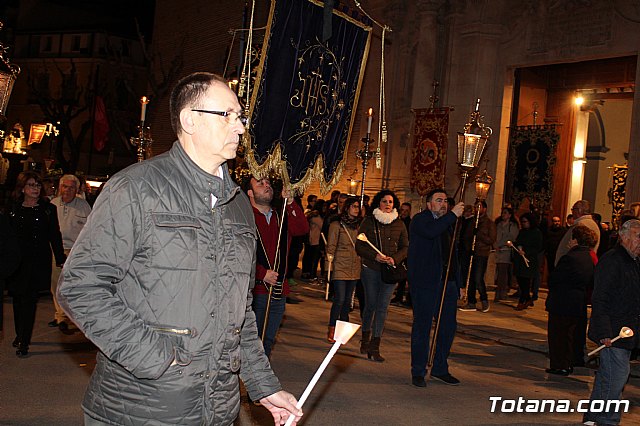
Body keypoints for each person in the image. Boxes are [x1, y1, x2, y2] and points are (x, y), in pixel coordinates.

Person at [57, 72, 302, 425]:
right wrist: (157, 359)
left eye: (241, 117)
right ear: (190, 120)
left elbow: (240, 313)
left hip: (216, 409)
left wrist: (263, 386)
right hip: (141, 408)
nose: (240, 128)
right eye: (228, 115)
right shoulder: (136, 188)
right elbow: (80, 287)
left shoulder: (237, 206)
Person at [583, 219, 640, 426]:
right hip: (614, 331)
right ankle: (607, 420)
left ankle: (593, 417)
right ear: (624, 237)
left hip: (627, 331)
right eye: (638, 236)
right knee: (616, 378)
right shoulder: (613, 260)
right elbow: (600, 297)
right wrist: (605, 331)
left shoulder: (633, 262)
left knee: (608, 376)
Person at [245, 176, 309, 358]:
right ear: (250, 193)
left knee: (267, 340)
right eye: (260, 184)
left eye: (268, 183)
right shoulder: (245, 217)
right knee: (251, 340)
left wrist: (290, 202)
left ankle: (259, 383)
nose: (266, 186)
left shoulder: (281, 217)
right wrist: (261, 273)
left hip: (278, 290)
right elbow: (236, 254)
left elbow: (302, 229)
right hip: (254, 291)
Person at [408, 188, 465, 387]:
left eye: (445, 201)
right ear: (429, 204)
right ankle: (418, 370)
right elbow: (431, 232)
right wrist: (452, 215)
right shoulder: (421, 220)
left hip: (447, 283)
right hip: (426, 283)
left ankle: (440, 367)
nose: (443, 204)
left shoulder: (447, 225)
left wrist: (459, 283)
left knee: (448, 327)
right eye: (438, 200)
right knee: (423, 327)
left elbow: (452, 255)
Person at [6, 171, 65, 357]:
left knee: (30, 300)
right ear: (23, 188)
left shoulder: (48, 209)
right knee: (17, 299)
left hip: (37, 260)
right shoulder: (13, 209)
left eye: (38, 185)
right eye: (32, 185)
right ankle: (19, 333)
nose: (36, 189)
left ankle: (24, 341)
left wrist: (60, 256)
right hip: (16, 261)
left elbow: (54, 235)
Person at [355, 189, 408, 362]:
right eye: (384, 201)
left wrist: (395, 258)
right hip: (371, 269)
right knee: (370, 304)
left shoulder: (399, 224)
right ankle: (365, 338)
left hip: (390, 271)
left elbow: (405, 247)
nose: (387, 205)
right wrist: (374, 256)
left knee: (383, 307)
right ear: (379, 203)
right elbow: (359, 246)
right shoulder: (369, 221)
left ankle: (375, 345)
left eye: (390, 202)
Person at [545, 226, 597, 376]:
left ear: (576, 240)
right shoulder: (589, 256)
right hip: (577, 301)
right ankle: (569, 362)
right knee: (570, 335)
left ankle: (560, 365)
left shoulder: (570, 258)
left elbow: (555, 279)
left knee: (558, 335)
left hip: (562, 301)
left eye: (571, 238)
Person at [49, 174, 92, 332]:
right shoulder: (53, 204)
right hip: (56, 250)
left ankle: (69, 317)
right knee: (56, 285)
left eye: (72, 187)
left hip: (76, 251)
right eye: (65, 186)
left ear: (77, 189)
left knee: (72, 286)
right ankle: (60, 316)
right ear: (60, 188)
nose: (68, 190)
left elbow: (90, 229)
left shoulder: (84, 206)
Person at [325, 197, 362, 342]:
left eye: (358, 206)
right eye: (353, 206)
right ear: (347, 208)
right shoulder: (337, 225)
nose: (356, 209)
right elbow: (331, 246)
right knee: (339, 299)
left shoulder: (359, 226)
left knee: (348, 301)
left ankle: (343, 332)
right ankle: (332, 328)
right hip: (340, 265)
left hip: (355, 266)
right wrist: (329, 266)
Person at [459, 200, 496, 312]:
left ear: (484, 209)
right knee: (470, 277)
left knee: (478, 278)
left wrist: (479, 234)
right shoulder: (472, 221)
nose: (477, 209)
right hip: (471, 253)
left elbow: (491, 239)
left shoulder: (489, 223)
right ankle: (471, 301)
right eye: (476, 207)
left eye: (479, 207)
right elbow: (466, 236)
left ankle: (484, 299)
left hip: (481, 254)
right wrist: (468, 248)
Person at [513, 212, 543, 310]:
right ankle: (528, 298)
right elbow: (518, 242)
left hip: (529, 260)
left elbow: (538, 247)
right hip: (520, 260)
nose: (523, 223)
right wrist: (517, 247)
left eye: (525, 222)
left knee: (525, 281)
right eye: (522, 222)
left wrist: (526, 252)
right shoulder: (522, 232)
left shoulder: (536, 232)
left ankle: (522, 300)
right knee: (520, 280)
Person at [555, 200, 600, 265]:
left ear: (579, 210)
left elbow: (575, 246)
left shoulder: (581, 224)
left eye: (573, 209)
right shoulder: (592, 224)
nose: (572, 212)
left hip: (574, 264)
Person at [493, 207, 519, 301]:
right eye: (502, 213)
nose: (503, 215)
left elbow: (511, 237)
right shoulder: (498, 224)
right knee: (499, 272)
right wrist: (495, 244)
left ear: (509, 215)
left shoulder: (512, 226)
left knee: (503, 273)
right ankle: (499, 292)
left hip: (506, 251)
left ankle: (502, 292)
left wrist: (501, 244)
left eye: (505, 213)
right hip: (497, 250)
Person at [391, 202, 412, 307]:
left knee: (406, 275)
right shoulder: (396, 222)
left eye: (406, 211)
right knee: (399, 275)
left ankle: (407, 298)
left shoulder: (410, 224)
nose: (403, 212)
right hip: (397, 252)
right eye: (402, 210)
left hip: (407, 253)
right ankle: (398, 295)